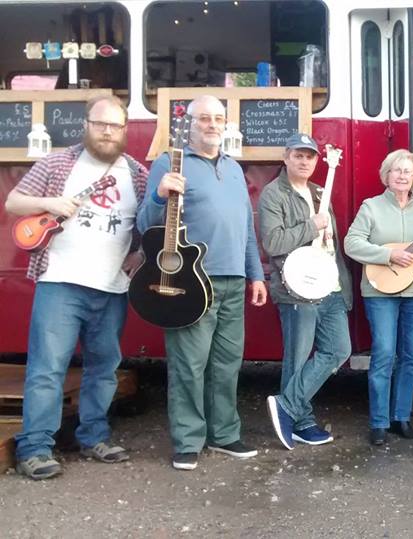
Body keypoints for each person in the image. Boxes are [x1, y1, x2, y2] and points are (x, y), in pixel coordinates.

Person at [6, 95, 148, 480]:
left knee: (103, 368)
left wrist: (140, 257)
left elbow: (151, 225)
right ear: (86, 125)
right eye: (100, 124)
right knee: (47, 369)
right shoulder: (58, 163)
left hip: (112, 287)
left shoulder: (136, 173)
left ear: (124, 130)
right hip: (61, 283)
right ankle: (35, 448)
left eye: (115, 125)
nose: (107, 131)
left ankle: (93, 437)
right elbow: (14, 202)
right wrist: (53, 201)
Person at [137, 95, 267, 471]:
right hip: (189, 280)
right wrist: (161, 195)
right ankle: (188, 440)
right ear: (189, 123)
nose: (212, 125)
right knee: (189, 364)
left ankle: (225, 434)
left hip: (232, 280)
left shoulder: (233, 168)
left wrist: (255, 273)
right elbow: (146, 224)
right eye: (204, 118)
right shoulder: (170, 162)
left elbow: (245, 226)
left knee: (227, 363)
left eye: (218, 119)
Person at [258, 134, 353, 450]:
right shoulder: (274, 195)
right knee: (298, 358)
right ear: (286, 157)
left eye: (310, 157)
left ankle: (287, 406)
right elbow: (272, 243)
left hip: (329, 286)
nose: (304, 161)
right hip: (296, 288)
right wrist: (312, 226)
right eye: (298, 155)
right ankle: (302, 421)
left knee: (338, 350)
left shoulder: (317, 192)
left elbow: (332, 244)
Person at [344, 149, 413, 446]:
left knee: (411, 356)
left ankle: (402, 416)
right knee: (384, 353)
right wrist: (389, 255)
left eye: (408, 171)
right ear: (387, 175)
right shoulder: (371, 207)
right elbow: (352, 243)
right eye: (397, 170)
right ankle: (378, 422)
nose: (402, 175)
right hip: (379, 291)